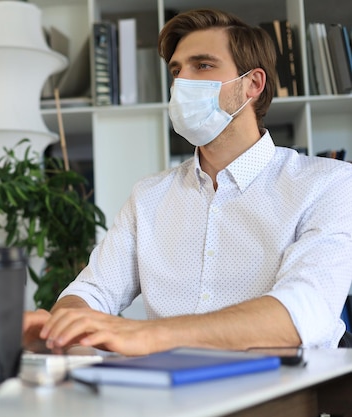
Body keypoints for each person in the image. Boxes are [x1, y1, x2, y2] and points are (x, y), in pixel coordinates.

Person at [23, 8, 352, 356]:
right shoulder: (149, 196)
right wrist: (64, 326)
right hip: (165, 398)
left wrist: (148, 335)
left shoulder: (329, 183)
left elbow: (302, 313)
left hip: (278, 396)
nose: (181, 83)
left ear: (252, 84)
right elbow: (92, 291)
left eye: (203, 66)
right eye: (176, 71)